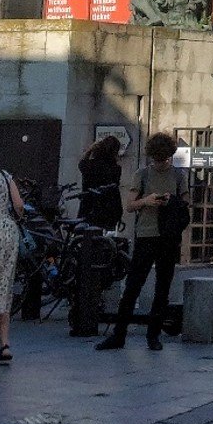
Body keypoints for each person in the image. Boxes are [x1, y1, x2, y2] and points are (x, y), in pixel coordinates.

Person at [97, 133, 188, 353]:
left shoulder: (178, 176)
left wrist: (169, 200)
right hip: (146, 235)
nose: (160, 161)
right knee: (133, 286)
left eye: (163, 157)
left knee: (162, 288)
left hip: (167, 236)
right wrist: (147, 201)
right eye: (158, 157)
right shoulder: (143, 174)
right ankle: (120, 335)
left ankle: (152, 336)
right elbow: (130, 205)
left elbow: (185, 204)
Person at [0, 140, 24, 368]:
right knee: (3, 289)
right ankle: (5, 346)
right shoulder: (4, 176)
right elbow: (18, 205)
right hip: (7, 232)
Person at [77, 135, 124, 230]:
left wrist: (89, 150)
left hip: (89, 207)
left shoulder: (89, 165)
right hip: (110, 209)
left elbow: (81, 163)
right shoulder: (115, 168)